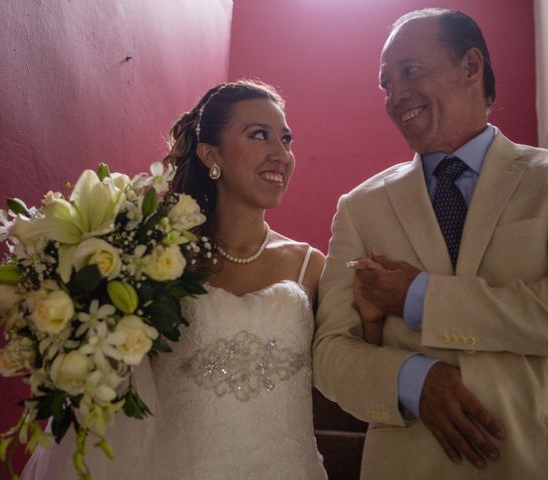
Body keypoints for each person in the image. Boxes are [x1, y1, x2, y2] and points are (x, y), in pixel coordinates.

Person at [313, 8, 548, 480]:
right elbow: (331, 353)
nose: (395, 95)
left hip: (540, 459)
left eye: (409, 71)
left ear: (471, 67)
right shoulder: (359, 208)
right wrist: (413, 380)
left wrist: (420, 299)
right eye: (386, 83)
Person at [21, 80, 327, 479]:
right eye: (259, 135)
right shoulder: (155, 260)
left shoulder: (309, 267)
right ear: (209, 154)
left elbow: (339, 370)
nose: (280, 154)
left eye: (285, 139)